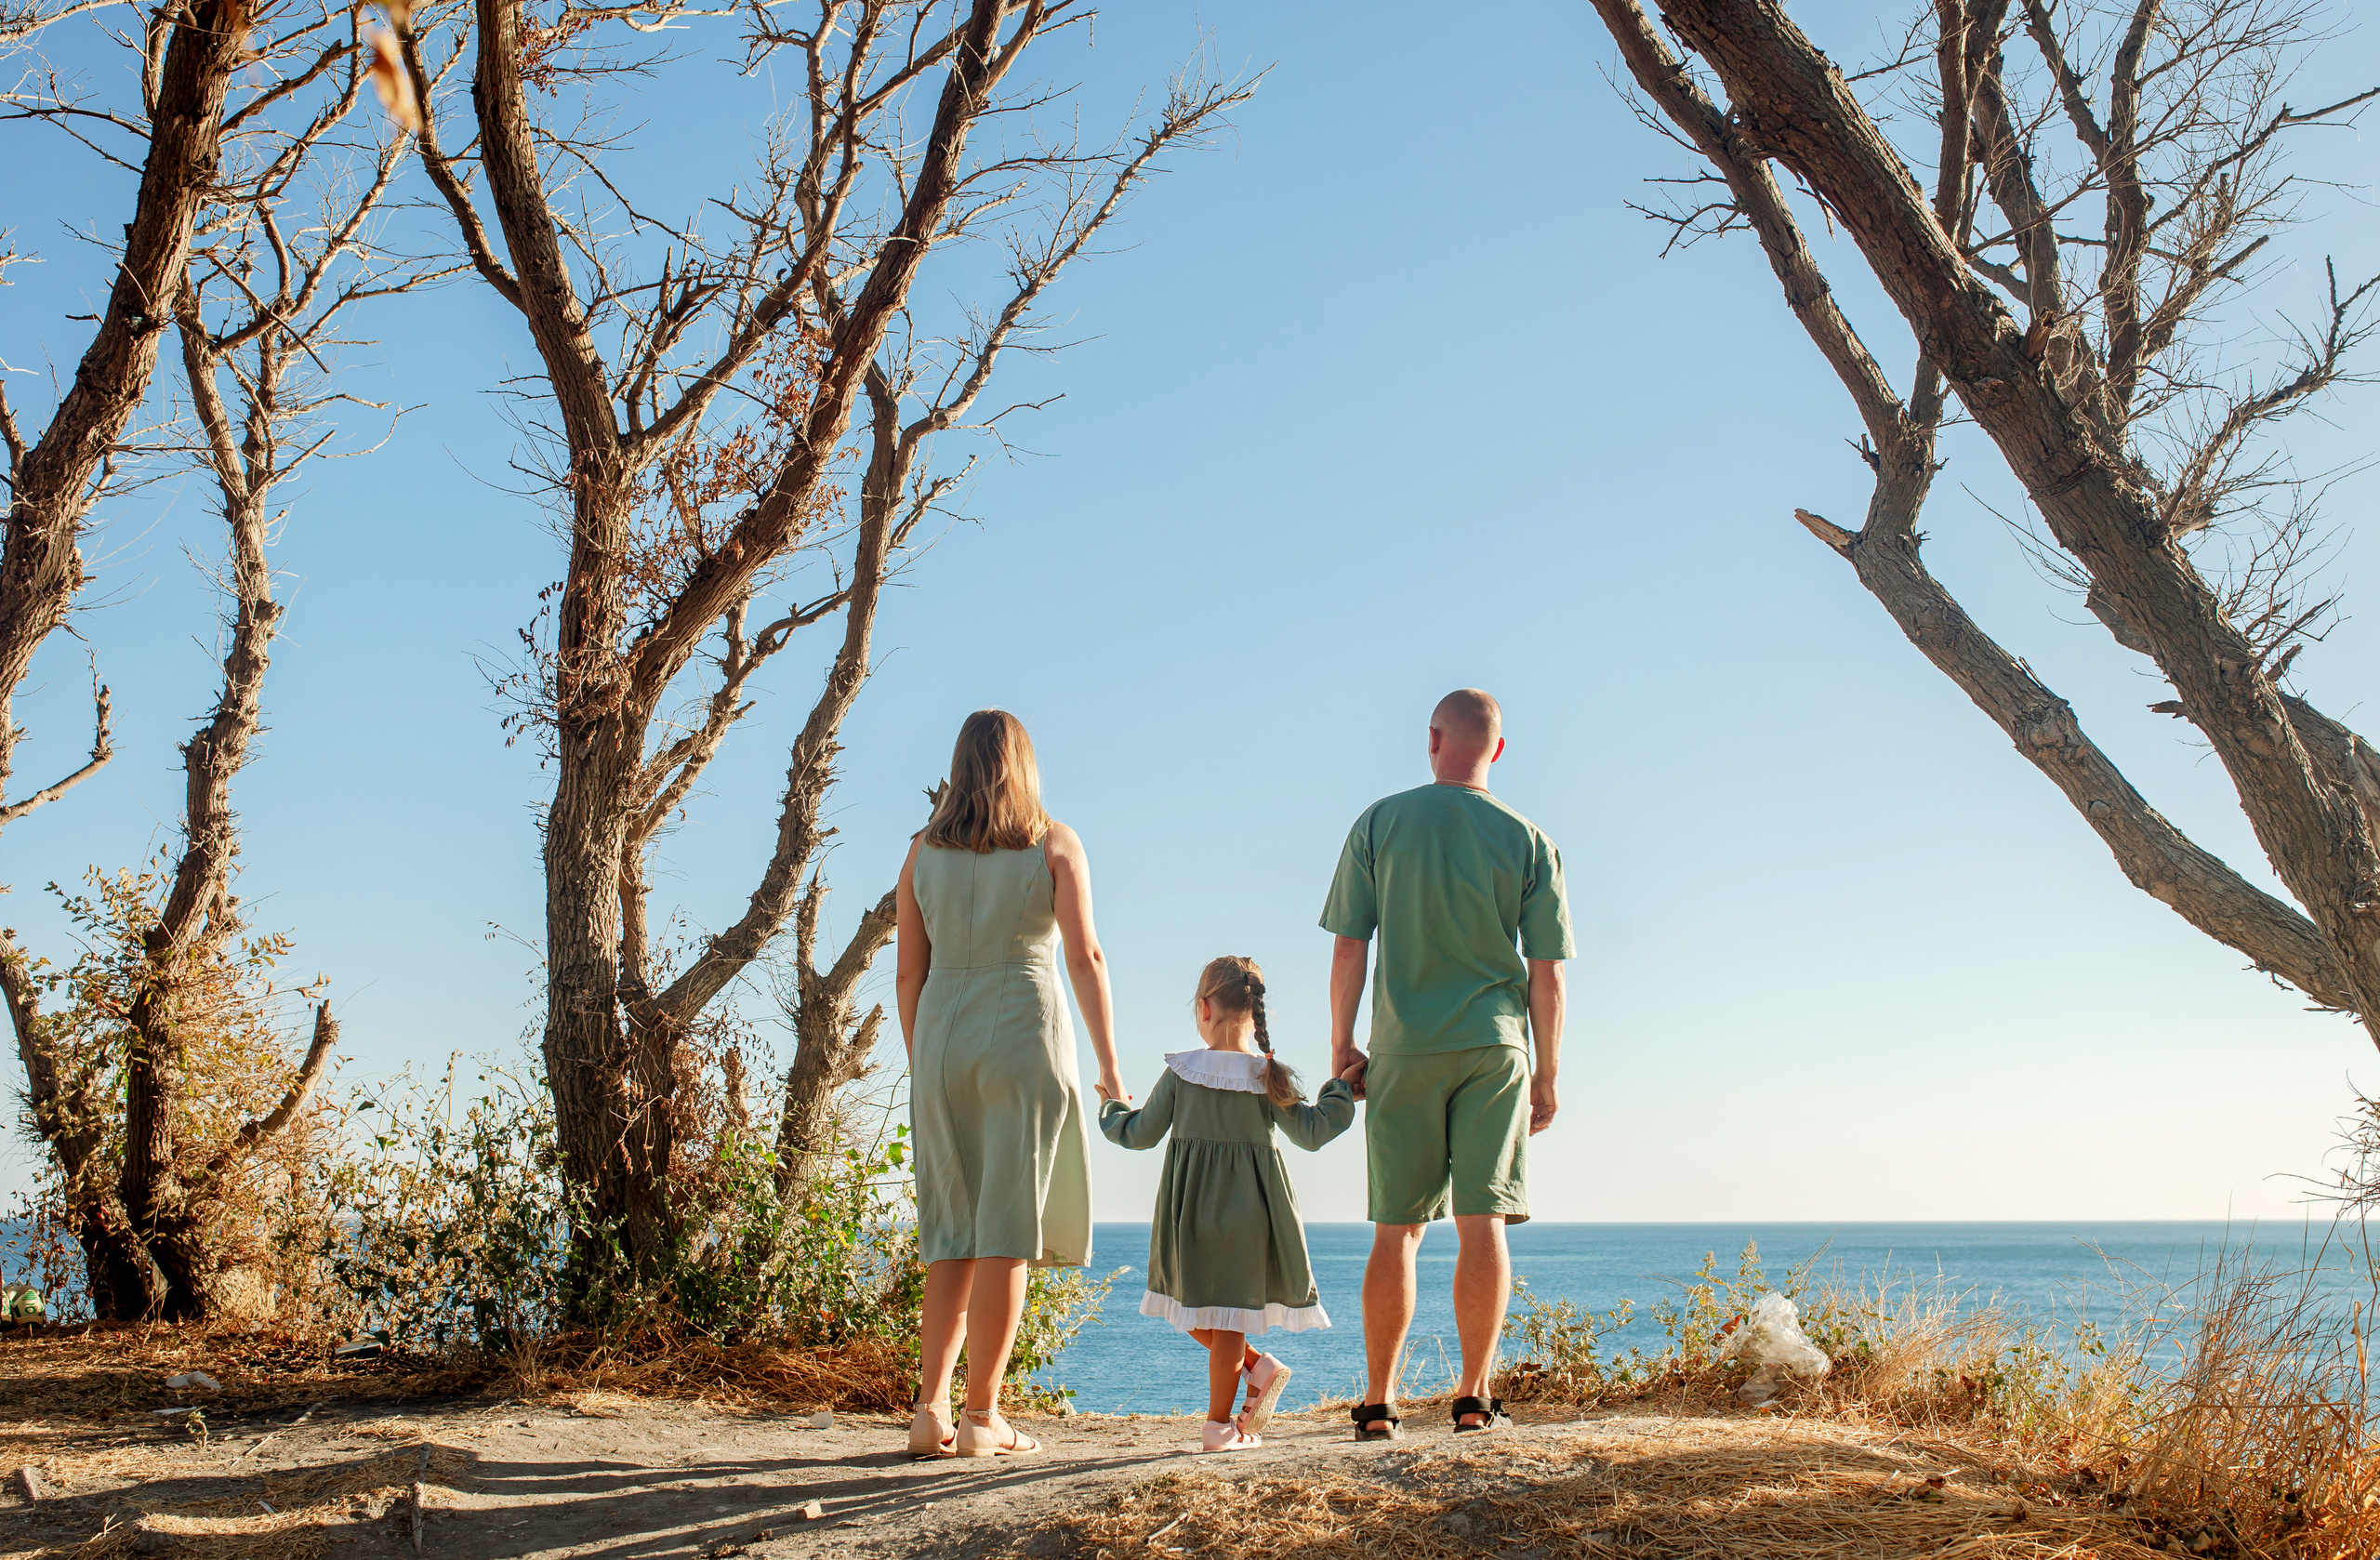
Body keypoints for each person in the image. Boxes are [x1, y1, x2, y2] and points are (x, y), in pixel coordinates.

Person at [1321, 688, 1574, 1441]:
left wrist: (1343, 1044)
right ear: (1497, 750)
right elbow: (1548, 971)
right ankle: (1472, 1397)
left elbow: (1347, 947)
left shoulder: (1380, 823)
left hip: (1403, 1047)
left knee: (1396, 1229)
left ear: (1433, 738)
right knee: (1482, 1220)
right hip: (1496, 1047)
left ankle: (1377, 1403)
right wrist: (1549, 1072)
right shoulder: (1529, 839)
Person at [896, 709, 1130, 1459]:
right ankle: (981, 1416)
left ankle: (928, 1410)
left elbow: (909, 971)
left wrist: (924, 1057)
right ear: (1024, 764)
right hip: (1022, 1035)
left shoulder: (920, 852)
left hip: (939, 1043)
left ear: (959, 765)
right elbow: (1085, 957)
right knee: (1006, 1234)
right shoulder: (1053, 843)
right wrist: (1110, 1063)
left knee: (950, 1237)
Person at [1098, 957, 1356, 1452]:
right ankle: (1253, 1372)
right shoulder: (1267, 1075)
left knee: (1199, 1311)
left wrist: (1111, 1105)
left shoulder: (1181, 1073)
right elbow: (1312, 1131)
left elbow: (1137, 1134)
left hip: (1190, 1214)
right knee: (1227, 1316)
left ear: (1204, 1008)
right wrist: (1341, 1088)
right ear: (1255, 1010)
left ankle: (1220, 1427)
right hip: (1253, 1215)